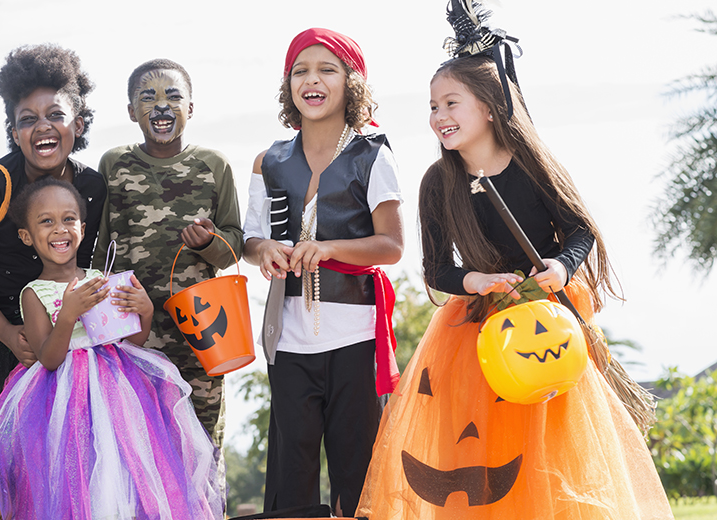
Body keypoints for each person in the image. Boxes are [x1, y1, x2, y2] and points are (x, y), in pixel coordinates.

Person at [355, 2, 672, 518]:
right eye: (433, 107)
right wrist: (477, 279)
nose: (439, 117)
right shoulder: (438, 183)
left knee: (551, 448)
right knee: (482, 454)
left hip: (546, 322)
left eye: (451, 103)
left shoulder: (531, 165)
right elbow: (437, 270)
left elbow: (579, 229)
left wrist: (562, 267)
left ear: (488, 106)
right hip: (476, 331)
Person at [0, 177, 223, 519]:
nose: (59, 229)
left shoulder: (101, 278)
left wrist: (145, 312)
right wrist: (68, 315)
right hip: (60, 407)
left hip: (117, 398)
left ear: (82, 226)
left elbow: (129, 343)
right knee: (76, 480)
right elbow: (49, 359)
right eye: (46, 221)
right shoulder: (33, 293)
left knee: (122, 476)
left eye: (68, 219)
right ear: (27, 236)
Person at [241, 28, 403, 516]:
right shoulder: (268, 161)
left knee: (359, 474)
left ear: (351, 83)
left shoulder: (373, 156)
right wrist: (264, 248)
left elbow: (392, 245)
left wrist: (327, 246)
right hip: (287, 338)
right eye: (300, 71)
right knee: (290, 477)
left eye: (327, 69)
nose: (311, 80)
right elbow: (249, 241)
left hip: (354, 336)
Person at [0, 43, 106, 450]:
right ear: (15, 133)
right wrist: (9, 332)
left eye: (56, 115)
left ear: (79, 125)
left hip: (66, 335)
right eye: (28, 120)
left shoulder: (91, 187)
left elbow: (80, 266)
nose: (43, 127)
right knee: (6, 454)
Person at [91, 58, 243, 447]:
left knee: (201, 448)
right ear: (131, 111)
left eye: (173, 96)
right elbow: (100, 252)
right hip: (131, 336)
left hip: (202, 335)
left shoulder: (214, 166)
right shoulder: (113, 164)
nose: (161, 106)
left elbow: (233, 248)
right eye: (148, 97)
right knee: (137, 448)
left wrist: (208, 243)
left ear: (190, 108)